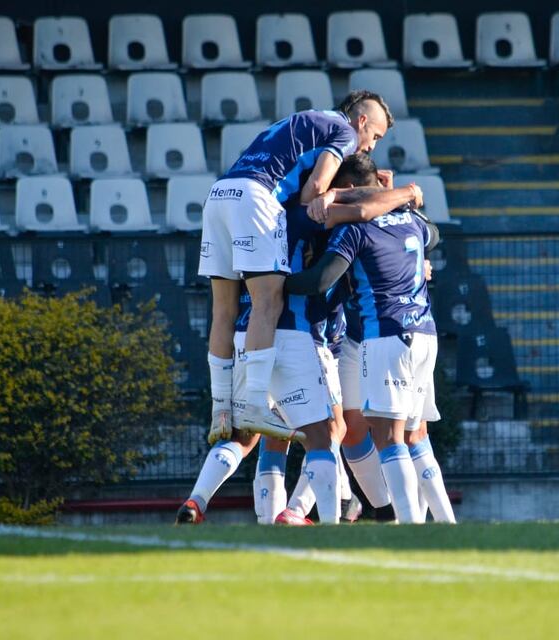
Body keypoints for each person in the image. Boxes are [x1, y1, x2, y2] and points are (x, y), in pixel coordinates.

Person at [177, 159, 418, 525]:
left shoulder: (252, 223)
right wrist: (395, 192)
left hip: (247, 335)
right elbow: (364, 210)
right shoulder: (305, 219)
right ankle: (318, 519)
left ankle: (198, 500)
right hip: (295, 335)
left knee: (251, 435)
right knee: (326, 433)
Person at [198, 93, 393, 449]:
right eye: (375, 136)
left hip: (220, 194)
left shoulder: (303, 119)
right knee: (267, 301)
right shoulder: (344, 132)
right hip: (257, 198)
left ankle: (220, 409)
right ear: (361, 121)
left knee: (223, 310)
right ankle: (255, 404)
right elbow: (313, 192)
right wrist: (363, 193)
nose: (369, 147)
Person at [285, 156, 444, 524]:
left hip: (383, 331)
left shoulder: (370, 220)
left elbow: (432, 234)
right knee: (354, 427)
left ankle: (424, 523)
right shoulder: (335, 215)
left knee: (408, 432)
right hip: (359, 335)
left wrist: (270, 285)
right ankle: (387, 513)